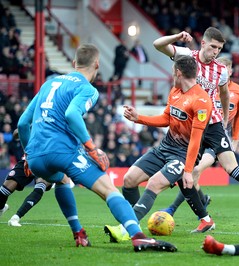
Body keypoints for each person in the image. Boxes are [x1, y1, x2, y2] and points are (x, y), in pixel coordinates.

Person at [17, 43, 176, 252]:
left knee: (61, 180)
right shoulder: (87, 89)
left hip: (36, 156)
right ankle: (138, 237)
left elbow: (21, 123)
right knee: (109, 190)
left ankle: (79, 233)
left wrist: (28, 155)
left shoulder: (49, 83)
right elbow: (72, 114)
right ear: (97, 64)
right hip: (62, 151)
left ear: (74, 63)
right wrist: (91, 148)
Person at [151, 26, 239, 217]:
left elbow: (224, 94)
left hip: (212, 125)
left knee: (232, 168)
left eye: (219, 49)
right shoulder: (187, 56)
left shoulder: (221, 70)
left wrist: (225, 121)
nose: (215, 52)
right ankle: (204, 218)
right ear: (203, 43)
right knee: (188, 173)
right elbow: (157, 44)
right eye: (213, 47)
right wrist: (178, 36)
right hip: (189, 126)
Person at [104, 55, 213, 242]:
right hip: (164, 148)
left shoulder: (202, 101)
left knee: (154, 183)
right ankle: (205, 219)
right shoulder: (175, 92)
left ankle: (126, 228)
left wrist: (188, 171)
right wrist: (139, 118)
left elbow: (195, 140)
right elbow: (165, 119)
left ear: (178, 72)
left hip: (183, 155)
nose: (172, 76)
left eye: (173, 73)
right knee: (129, 179)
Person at [161, 56, 239, 216]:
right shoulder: (210, 90)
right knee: (193, 171)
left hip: (216, 136)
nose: (224, 71)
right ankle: (202, 199)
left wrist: (234, 138)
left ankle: (173, 209)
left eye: (227, 68)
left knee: (195, 170)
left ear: (230, 71)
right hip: (203, 134)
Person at [0, 129, 53, 227]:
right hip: (27, 161)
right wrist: (21, 132)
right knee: (5, 189)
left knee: (41, 186)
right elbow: (16, 133)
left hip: (46, 163)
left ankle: (16, 218)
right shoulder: (36, 121)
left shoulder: (57, 126)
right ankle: (1, 208)